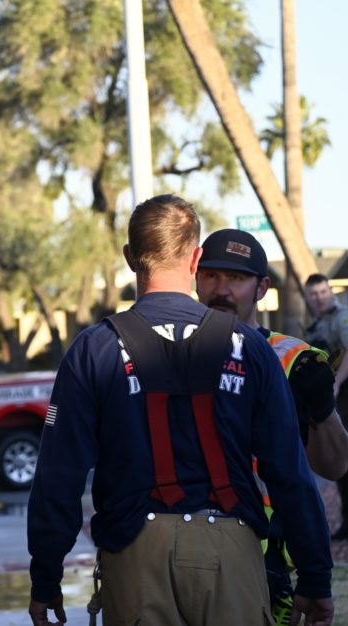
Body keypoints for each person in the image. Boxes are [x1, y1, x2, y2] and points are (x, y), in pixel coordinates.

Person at [27, 195, 333, 626]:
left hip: (135, 553)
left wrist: (46, 576)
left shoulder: (94, 349)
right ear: (195, 259)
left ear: (130, 258)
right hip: (232, 548)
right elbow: (289, 471)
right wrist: (315, 575)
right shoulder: (251, 348)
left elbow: (59, 474)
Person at [195, 228, 348, 621]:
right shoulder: (171, 351)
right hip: (185, 550)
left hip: (265, 553)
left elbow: (334, 466)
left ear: (262, 288)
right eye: (210, 275)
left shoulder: (292, 359)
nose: (221, 289)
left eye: (236, 278)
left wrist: (322, 409)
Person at [302, 273, 348, 540]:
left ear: (330, 291)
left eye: (322, 292)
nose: (319, 298)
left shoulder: (342, 317)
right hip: (332, 397)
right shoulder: (316, 324)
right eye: (313, 294)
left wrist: (336, 385)